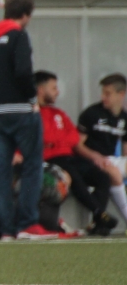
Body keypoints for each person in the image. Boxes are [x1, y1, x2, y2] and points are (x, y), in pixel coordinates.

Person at [0, 0, 54, 241]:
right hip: (20, 110)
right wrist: (32, 98)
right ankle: (27, 224)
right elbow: (23, 71)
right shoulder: (19, 35)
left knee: (3, 169)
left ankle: (6, 230)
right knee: (32, 165)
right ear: (25, 15)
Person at [35, 71, 104, 237]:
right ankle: (99, 213)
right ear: (41, 90)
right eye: (54, 88)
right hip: (50, 159)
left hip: (68, 157)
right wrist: (57, 140)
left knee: (102, 177)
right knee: (72, 174)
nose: (57, 92)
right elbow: (45, 137)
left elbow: (73, 138)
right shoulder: (34, 113)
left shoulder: (58, 113)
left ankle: (99, 220)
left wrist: (56, 141)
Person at [76, 73, 127, 233]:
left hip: (110, 159)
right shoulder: (92, 113)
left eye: (108, 94)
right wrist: (94, 155)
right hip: (89, 160)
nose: (103, 97)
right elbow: (77, 145)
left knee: (115, 170)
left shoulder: (124, 118)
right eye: (103, 93)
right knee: (113, 174)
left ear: (121, 94)